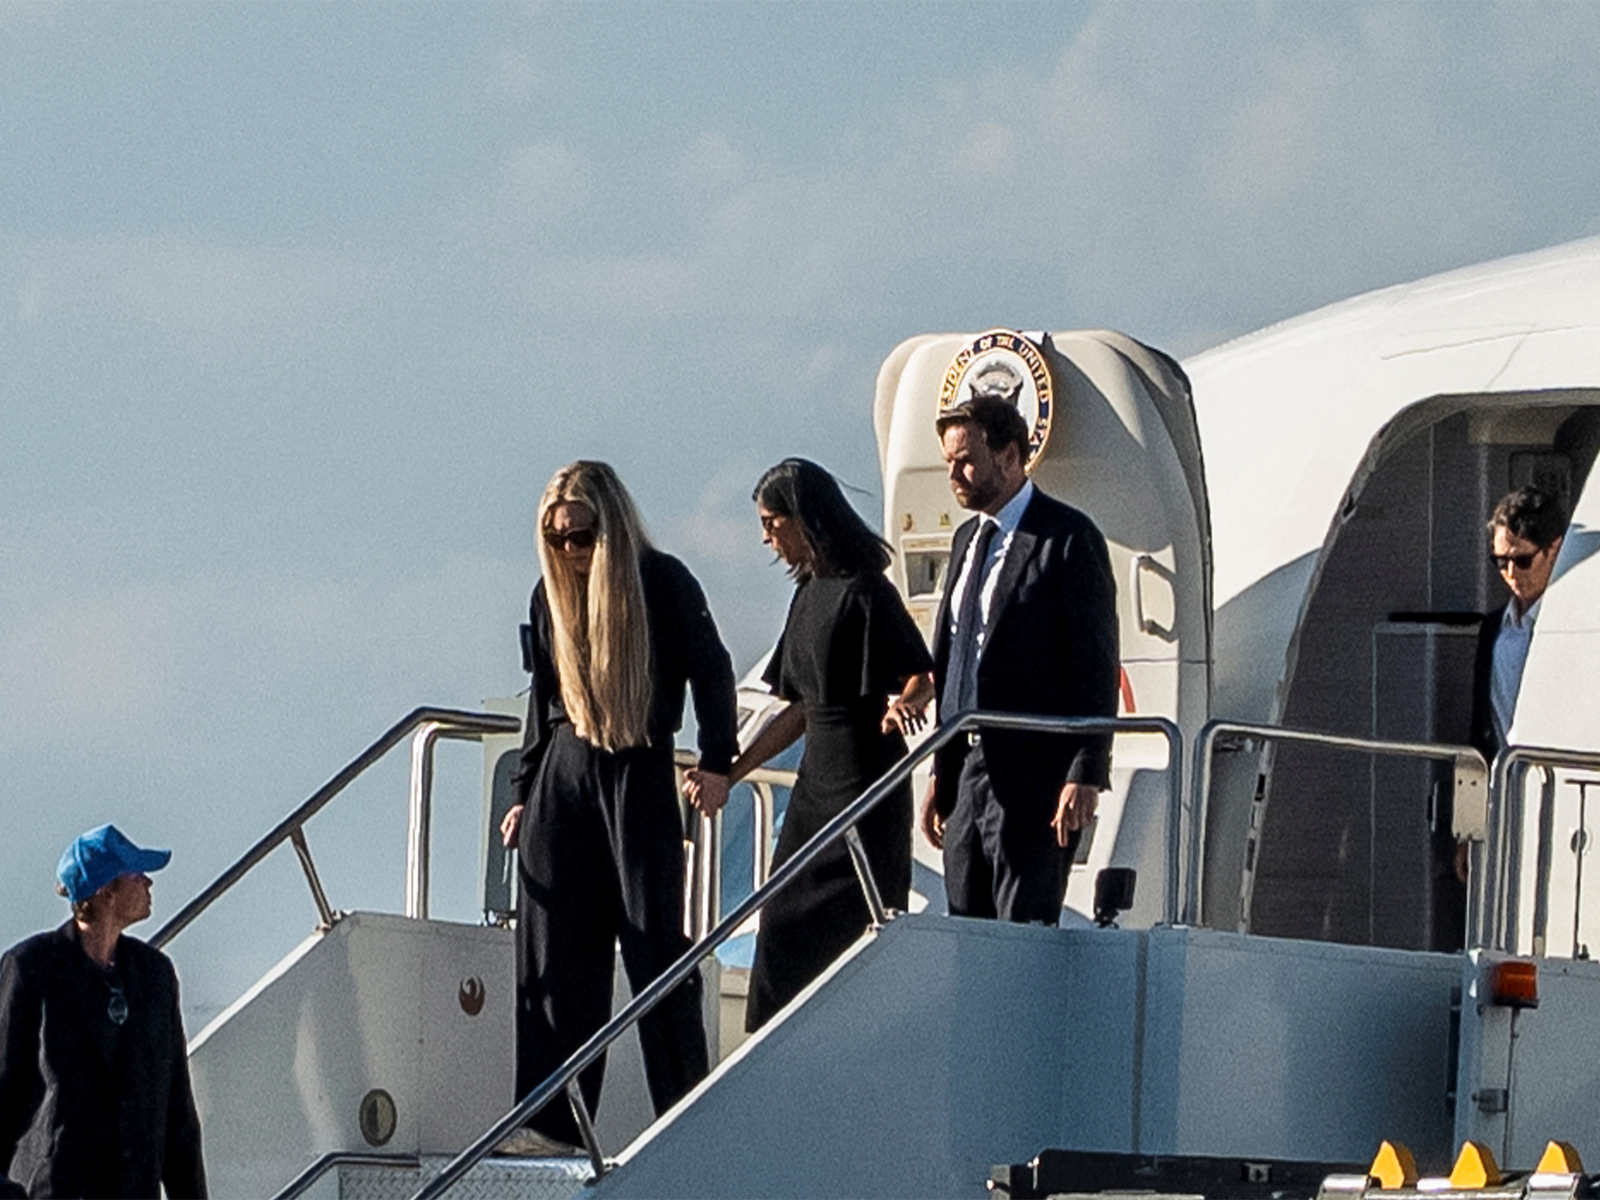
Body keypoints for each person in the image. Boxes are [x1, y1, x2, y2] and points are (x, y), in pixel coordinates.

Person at [499, 460, 738, 1151]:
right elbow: (542, 706)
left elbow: (712, 671)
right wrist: (522, 793)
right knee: (555, 958)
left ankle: (685, 1111)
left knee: (655, 945)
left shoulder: (663, 581)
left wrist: (718, 760)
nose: (572, 552)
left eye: (582, 536)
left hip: (637, 765)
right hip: (563, 775)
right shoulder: (550, 596)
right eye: (558, 538)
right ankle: (549, 1124)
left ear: (612, 526)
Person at [695, 459, 934, 1033]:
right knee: (782, 921)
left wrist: (906, 703)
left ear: (805, 519)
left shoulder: (866, 591)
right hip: (814, 788)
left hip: (865, 781)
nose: (766, 537)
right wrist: (734, 770)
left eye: (773, 522)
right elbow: (797, 708)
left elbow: (920, 673)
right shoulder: (807, 597)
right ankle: (770, 1046)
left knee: (856, 929)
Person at [919, 395, 1120, 924]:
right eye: (948, 463)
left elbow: (1095, 665)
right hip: (966, 768)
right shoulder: (967, 540)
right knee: (966, 928)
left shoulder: (1068, 539)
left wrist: (1086, 770)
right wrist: (942, 772)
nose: (954, 475)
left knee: (1023, 932)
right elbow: (957, 651)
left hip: (1035, 777)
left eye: (965, 460)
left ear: (1009, 457)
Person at [0, 824, 207, 1199]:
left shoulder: (155, 975)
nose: (148, 882)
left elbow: (178, 1111)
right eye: (135, 874)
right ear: (105, 892)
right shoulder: (31, 969)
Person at [1472, 485, 1568, 763]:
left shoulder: (1571, 628)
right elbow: (1482, 722)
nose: (1511, 573)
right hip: (1504, 783)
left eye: (1522, 560)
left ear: (1553, 549)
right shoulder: (1492, 628)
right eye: (1501, 562)